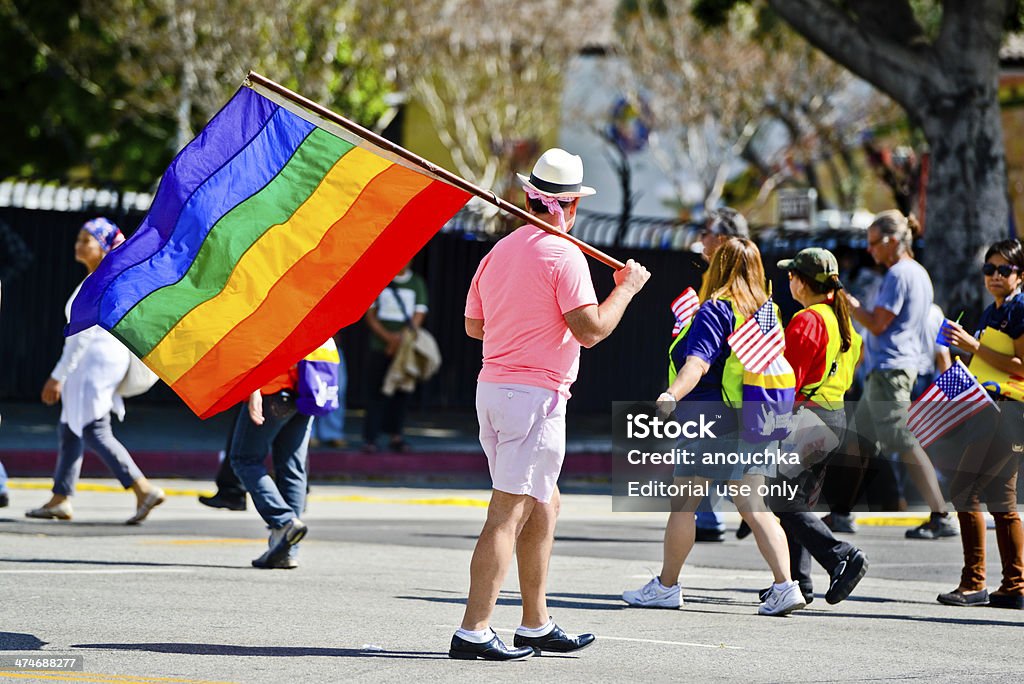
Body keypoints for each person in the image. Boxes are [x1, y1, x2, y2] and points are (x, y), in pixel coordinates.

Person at [452, 148, 649, 661]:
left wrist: (521, 318)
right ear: (573, 206)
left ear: (528, 198)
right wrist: (626, 289)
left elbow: (474, 326)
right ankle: (473, 630)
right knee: (507, 513)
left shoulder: (500, 251)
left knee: (545, 502)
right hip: (532, 396)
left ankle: (535, 622)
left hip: (494, 390)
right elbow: (591, 331)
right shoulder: (565, 255)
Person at [623, 236, 806, 617]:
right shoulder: (766, 312)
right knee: (756, 508)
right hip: (756, 420)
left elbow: (697, 364)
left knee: (684, 506)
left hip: (710, 421)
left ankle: (666, 587)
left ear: (717, 267)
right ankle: (785, 585)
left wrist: (671, 395)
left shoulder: (716, 309)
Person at [26, 218, 165, 524]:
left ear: (102, 248)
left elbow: (81, 336)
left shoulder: (99, 282)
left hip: (95, 360)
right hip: (101, 360)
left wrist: (58, 375)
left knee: (93, 428)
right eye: (78, 238)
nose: (78, 245)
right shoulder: (103, 279)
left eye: (86, 240)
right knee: (70, 427)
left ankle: (143, 489)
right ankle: (60, 498)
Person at [844, 210, 956, 539]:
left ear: (892, 241)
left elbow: (878, 322)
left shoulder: (898, 274)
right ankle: (839, 511)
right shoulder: (918, 273)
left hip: (892, 368)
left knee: (902, 440)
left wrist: (851, 306)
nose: (870, 250)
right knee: (861, 440)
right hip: (894, 366)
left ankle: (940, 513)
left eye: (874, 243)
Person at [768, 248, 868, 606]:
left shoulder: (807, 321)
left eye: (792, 275)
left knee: (779, 499)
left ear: (803, 281)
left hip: (807, 417)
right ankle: (799, 582)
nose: (788, 280)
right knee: (796, 500)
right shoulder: (842, 322)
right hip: (833, 416)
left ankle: (841, 555)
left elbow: (786, 381)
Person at [936, 238, 1024, 609]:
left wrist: (972, 346)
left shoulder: (1020, 309)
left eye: (1004, 270)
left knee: (965, 491)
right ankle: (1014, 586)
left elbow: (1021, 366)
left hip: (1009, 410)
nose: (994, 276)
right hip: (989, 409)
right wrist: (956, 375)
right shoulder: (993, 310)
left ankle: (974, 584)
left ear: (1020, 274)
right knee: (1000, 499)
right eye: (989, 269)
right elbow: (987, 362)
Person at [228, 339, 337, 569]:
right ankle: (287, 551)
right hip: (307, 386)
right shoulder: (310, 302)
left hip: (273, 386)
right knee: (292, 468)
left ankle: (284, 521)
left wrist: (253, 388)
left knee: (244, 458)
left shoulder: (266, 302)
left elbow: (258, 340)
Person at [693, 208, 750, 542]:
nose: (702, 238)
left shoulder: (724, 297)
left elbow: (703, 356)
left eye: (708, 232)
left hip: (720, 397)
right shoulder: (752, 290)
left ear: (725, 241)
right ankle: (709, 516)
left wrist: (674, 391)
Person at [362, 264, 428, 453]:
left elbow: (419, 313)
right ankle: (371, 438)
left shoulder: (417, 283)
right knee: (376, 392)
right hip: (379, 347)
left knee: (402, 392)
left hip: (404, 349)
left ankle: (396, 436)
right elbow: (371, 315)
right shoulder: (380, 280)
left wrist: (400, 339)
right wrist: (388, 338)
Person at [310, 340, 348, 449]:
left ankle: (332, 432)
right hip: (308, 345)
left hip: (331, 345)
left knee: (335, 391)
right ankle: (309, 433)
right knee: (310, 389)